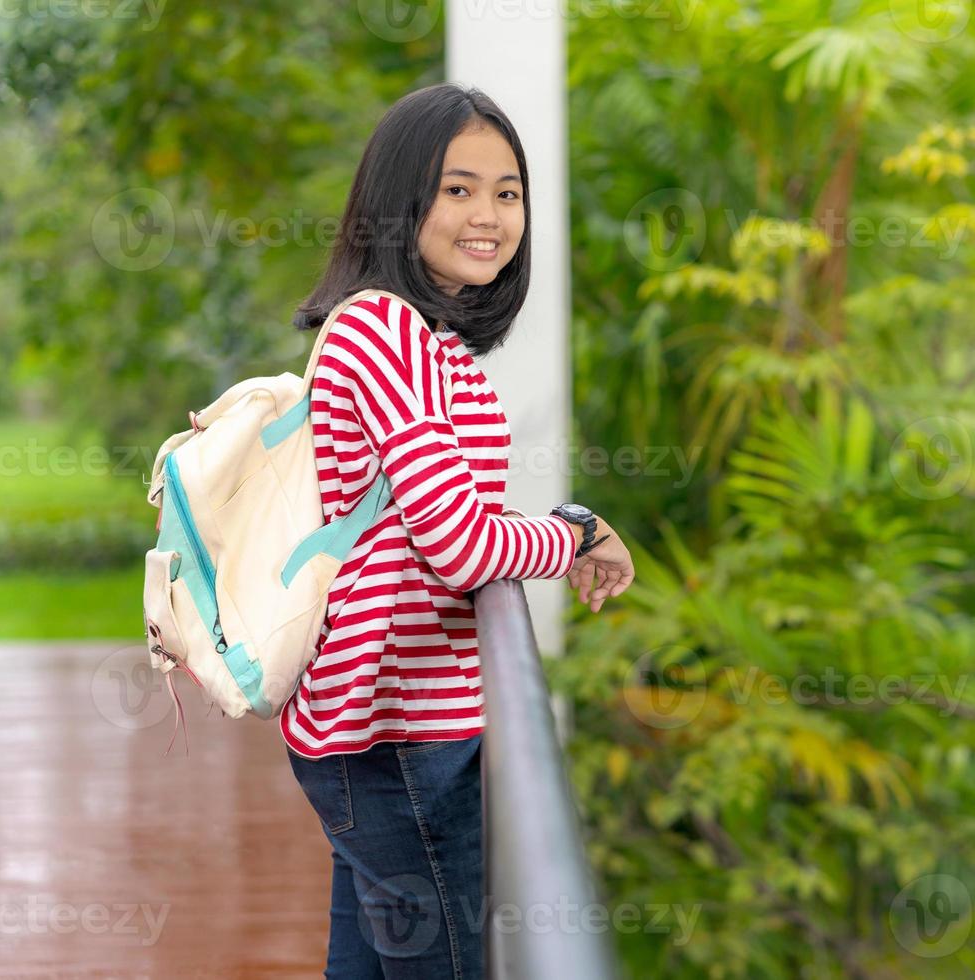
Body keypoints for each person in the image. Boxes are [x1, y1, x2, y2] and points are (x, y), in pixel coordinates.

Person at [281, 82, 634, 979]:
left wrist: (552, 528)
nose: (489, 215)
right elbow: (464, 546)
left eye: (507, 192)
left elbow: (444, 523)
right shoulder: (385, 329)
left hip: (392, 732)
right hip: (399, 734)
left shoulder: (433, 340)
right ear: (402, 202)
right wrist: (576, 533)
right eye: (458, 188)